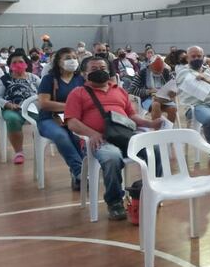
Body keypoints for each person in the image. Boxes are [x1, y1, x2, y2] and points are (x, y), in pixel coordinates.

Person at [65, 56, 163, 220]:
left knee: (153, 148)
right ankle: (115, 201)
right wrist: (92, 134)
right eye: (94, 69)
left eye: (103, 68)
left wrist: (151, 124)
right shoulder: (78, 93)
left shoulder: (119, 90)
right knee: (111, 157)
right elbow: (72, 122)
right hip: (99, 140)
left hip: (124, 135)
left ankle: (151, 189)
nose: (100, 72)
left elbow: (131, 116)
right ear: (84, 74)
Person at [36, 47, 85, 190]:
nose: (73, 60)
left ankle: (78, 176)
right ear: (58, 62)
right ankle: (80, 172)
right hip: (49, 119)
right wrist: (70, 106)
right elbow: (44, 103)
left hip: (73, 118)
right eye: (68, 58)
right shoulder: (49, 79)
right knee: (61, 136)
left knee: (79, 137)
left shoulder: (81, 79)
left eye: (75, 57)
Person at [0, 49, 40, 165]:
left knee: (43, 121)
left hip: (33, 108)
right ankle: (19, 153)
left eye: (20, 62)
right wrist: (8, 104)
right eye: (14, 62)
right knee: (12, 119)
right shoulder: (5, 79)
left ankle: (39, 149)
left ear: (26, 64)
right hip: (13, 109)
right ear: (9, 65)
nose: (18, 64)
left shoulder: (34, 78)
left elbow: (44, 92)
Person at [129, 56, 177, 123]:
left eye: (160, 71)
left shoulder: (166, 72)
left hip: (165, 99)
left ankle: (169, 128)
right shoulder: (142, 73)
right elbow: (131, 90)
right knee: (156, 104)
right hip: (148, 99)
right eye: (156, 72)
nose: (159, 73)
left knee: (173, 108)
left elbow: (174, 85)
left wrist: (173, 92)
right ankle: (156, 129)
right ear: (150, 67)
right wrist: (148, 91)